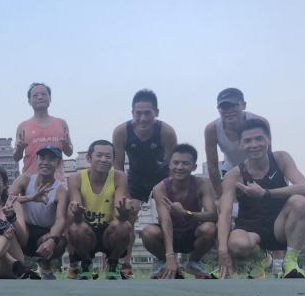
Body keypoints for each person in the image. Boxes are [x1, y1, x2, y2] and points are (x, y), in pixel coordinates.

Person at [217, 119, 305, 279]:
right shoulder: (233, 175)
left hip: (279, 226)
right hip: (250, 229)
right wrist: (222, 250)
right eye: (248, 141)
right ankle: (262, 258)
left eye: (259, 138)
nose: (254, 144)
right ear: (240, 145)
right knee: (237, 244)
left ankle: (290, 262)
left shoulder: (281, 158)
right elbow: (225, 213)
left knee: (300, 202)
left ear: (268, 140)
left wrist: (265, 193)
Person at [112, 89, 177, 278]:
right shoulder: (121, 132)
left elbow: (173, 166)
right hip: (135, 179)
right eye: (138, 113)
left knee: (167, 217)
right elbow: (118, 168)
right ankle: (125, 263)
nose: (142, 118)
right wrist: (123, 195)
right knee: (127, 219)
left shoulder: (166, 132)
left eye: (147, 113)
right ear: (132, 112)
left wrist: (168, 191)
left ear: (156, 112)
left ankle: (169, 262)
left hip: (161, 178)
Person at [141, 144, 217, 279]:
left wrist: (186, 213)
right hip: (168, 236)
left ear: (194, 167)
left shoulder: (202, 183)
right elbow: (165, 221)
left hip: (192, 234)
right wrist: (170, 256)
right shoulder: (160, 188)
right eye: (176, 163)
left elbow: (213, 215)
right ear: (170, 165)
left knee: (210, 228)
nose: (179, 167)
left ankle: (194, 262)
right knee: (148, 232)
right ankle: (164, 263)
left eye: (185, 163)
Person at [65, 140, 134, 280]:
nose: (103, 159)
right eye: (99, 155)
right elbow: (76, 211)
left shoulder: (119, 177)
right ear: (89, 158)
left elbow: (118, 211)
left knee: (124, 226)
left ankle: (113, 263)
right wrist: (77, 214)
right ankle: (86, 263)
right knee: (75, 228)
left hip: (109, 231)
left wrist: (123, 214)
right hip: (87, 231)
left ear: (113, 160)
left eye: (108, 156)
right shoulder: (75, 179)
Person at [9, 146, 67, 280]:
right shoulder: (25, 180)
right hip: (23, 229)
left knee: (60, 241)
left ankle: (45, 267)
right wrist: (31, 198)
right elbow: (7, 201)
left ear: (58, 163)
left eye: (51, 159)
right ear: (37, 160)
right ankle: (15, 267)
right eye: (42, 158)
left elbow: (61, 220)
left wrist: (52, 239)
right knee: (6, 228)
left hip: (44, 232)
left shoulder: (61, 190)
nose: (46, 162)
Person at [204, 88, 269, 198]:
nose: (229, 111)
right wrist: (220, 195)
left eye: (234, 106)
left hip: (258, 170)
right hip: (230, 171)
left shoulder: (260, 122)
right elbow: (212, 166)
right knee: (229, 204)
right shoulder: (212, 129)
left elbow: (268, 155)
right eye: (224, 107)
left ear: (243, 105)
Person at [13, 83, 73, 181]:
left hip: (57, 181)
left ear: (50, 98)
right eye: (35, 95)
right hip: (30, 182)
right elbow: (16, 158)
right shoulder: (23, 126)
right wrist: (20, 149)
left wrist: (66, 145)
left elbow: (69, 153)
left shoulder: (61, 123)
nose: (40, 97)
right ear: (29, 101)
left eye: (43, 94)